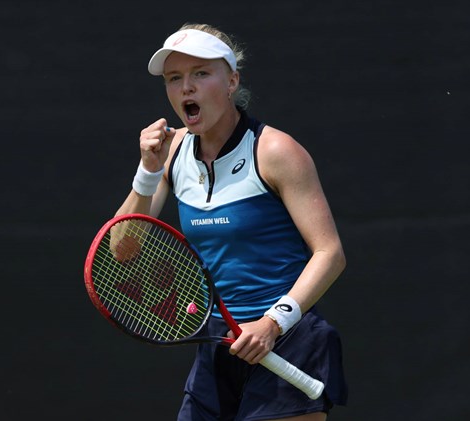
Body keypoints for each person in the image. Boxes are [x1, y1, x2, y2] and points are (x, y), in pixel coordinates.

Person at [115, 22, 348, 421]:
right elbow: (120, 249)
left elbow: (330, 253)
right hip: (219, 344)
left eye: (201, 74)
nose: (186, 87)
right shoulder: (170, 156)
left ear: (231, 81)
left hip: (290, 340)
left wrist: (274, 322)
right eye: (175, 78)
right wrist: (147, 171)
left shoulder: (274, 151)